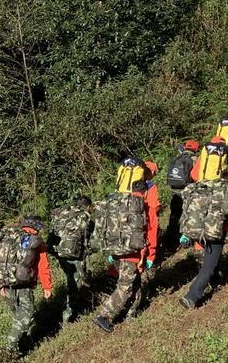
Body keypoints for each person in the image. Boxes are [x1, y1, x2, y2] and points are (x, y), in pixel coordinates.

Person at [93, 163, 159, 333]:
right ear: (145, 191)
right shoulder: (144, 208)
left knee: (135, 284)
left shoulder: (119, 204)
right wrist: (150, 255)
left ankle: (132, 315)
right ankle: (104, 315)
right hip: (133, 253)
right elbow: (151, 232)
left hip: (115, 250)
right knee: (125, 285)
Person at [0, 216, 53, 359]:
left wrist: (0, 285)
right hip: (24, 285)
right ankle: (10, 346)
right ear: (35, 227)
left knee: (18, 315)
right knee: (27, 314)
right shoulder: (34, 241)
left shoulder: (7, 238)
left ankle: (19, 347)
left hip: (6, 283)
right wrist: (47, 287)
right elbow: (43, 266)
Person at [177, 165, 228, 310]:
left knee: (212, 260)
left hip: (196, 230)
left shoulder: (208, 186)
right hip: (213, 234)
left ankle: (217, 281)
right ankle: (191, 297)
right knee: (208, 267)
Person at [48, 195, 95, 324]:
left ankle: (71, 309)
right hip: (74, 254)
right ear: (88, 205)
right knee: (75, 283)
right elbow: (86, 237)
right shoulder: (84, 215)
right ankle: (69, 314)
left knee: (71, 279)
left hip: (59, 253)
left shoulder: (64, 212)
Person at [163, 141, 199, 253]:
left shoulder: (178, 157)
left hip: (174, 190)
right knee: (187, 214)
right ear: (196, 149)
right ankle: (185, 239)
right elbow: (196, 175)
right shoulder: (195, 159)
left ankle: (169, 239)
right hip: (186, 190)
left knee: (174, 214)